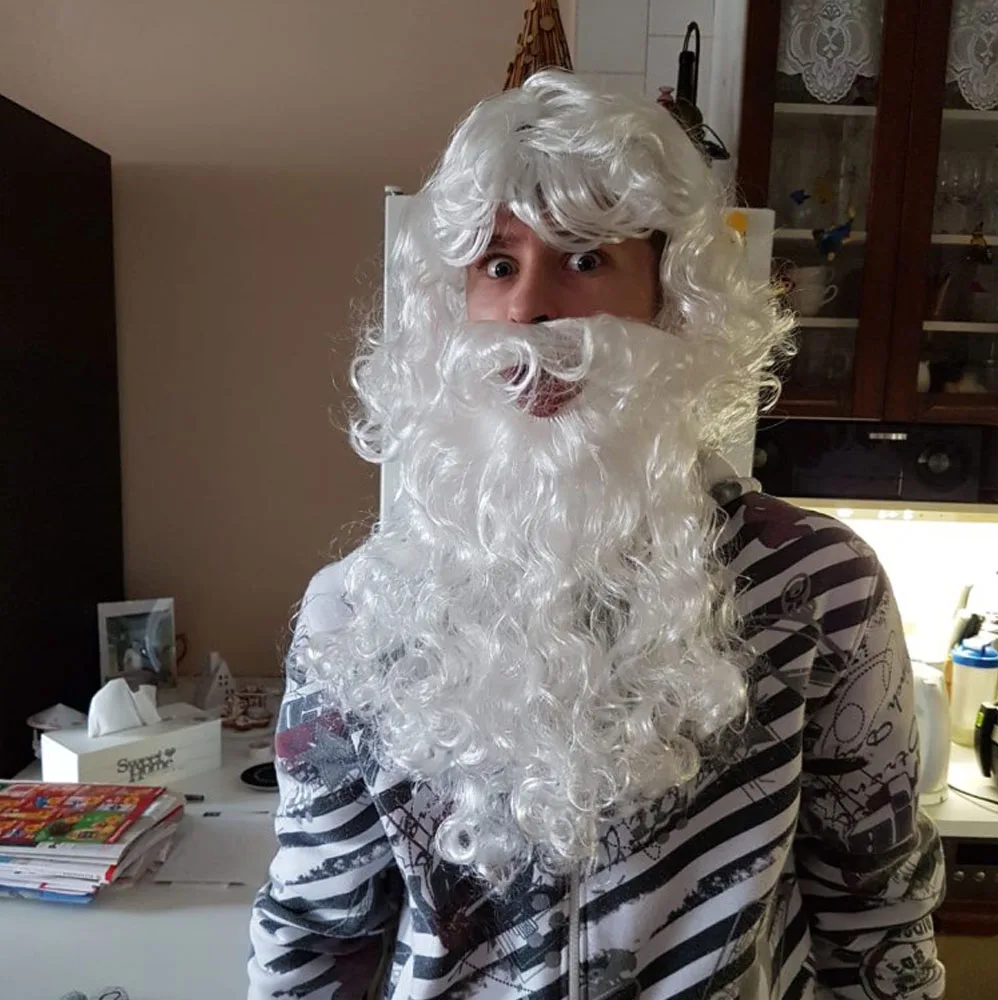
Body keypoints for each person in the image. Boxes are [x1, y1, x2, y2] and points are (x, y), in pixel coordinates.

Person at [248, 72, 945, 1000]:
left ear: (671, 300)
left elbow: (876, 917)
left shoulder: (818, 584)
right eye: (497, 265)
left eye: (583, 258)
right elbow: (313, 931)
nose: (529, 309)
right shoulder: (358, 609)